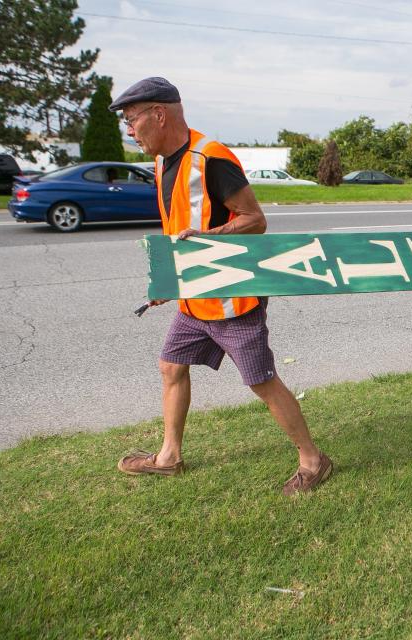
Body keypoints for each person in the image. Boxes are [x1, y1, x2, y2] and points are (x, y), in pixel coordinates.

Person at [109, 77, 332, 495]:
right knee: (171, 366)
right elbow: (181, 232)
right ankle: (168, 458)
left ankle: (313, 461)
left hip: (233, 301)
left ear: (159, 115)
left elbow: (255, 220)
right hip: (194, 301)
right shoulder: (162, 162)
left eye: (131, 118)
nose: (128, 127)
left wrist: (211, 240)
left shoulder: (210, 158)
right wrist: (171, 281)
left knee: (261, 382)